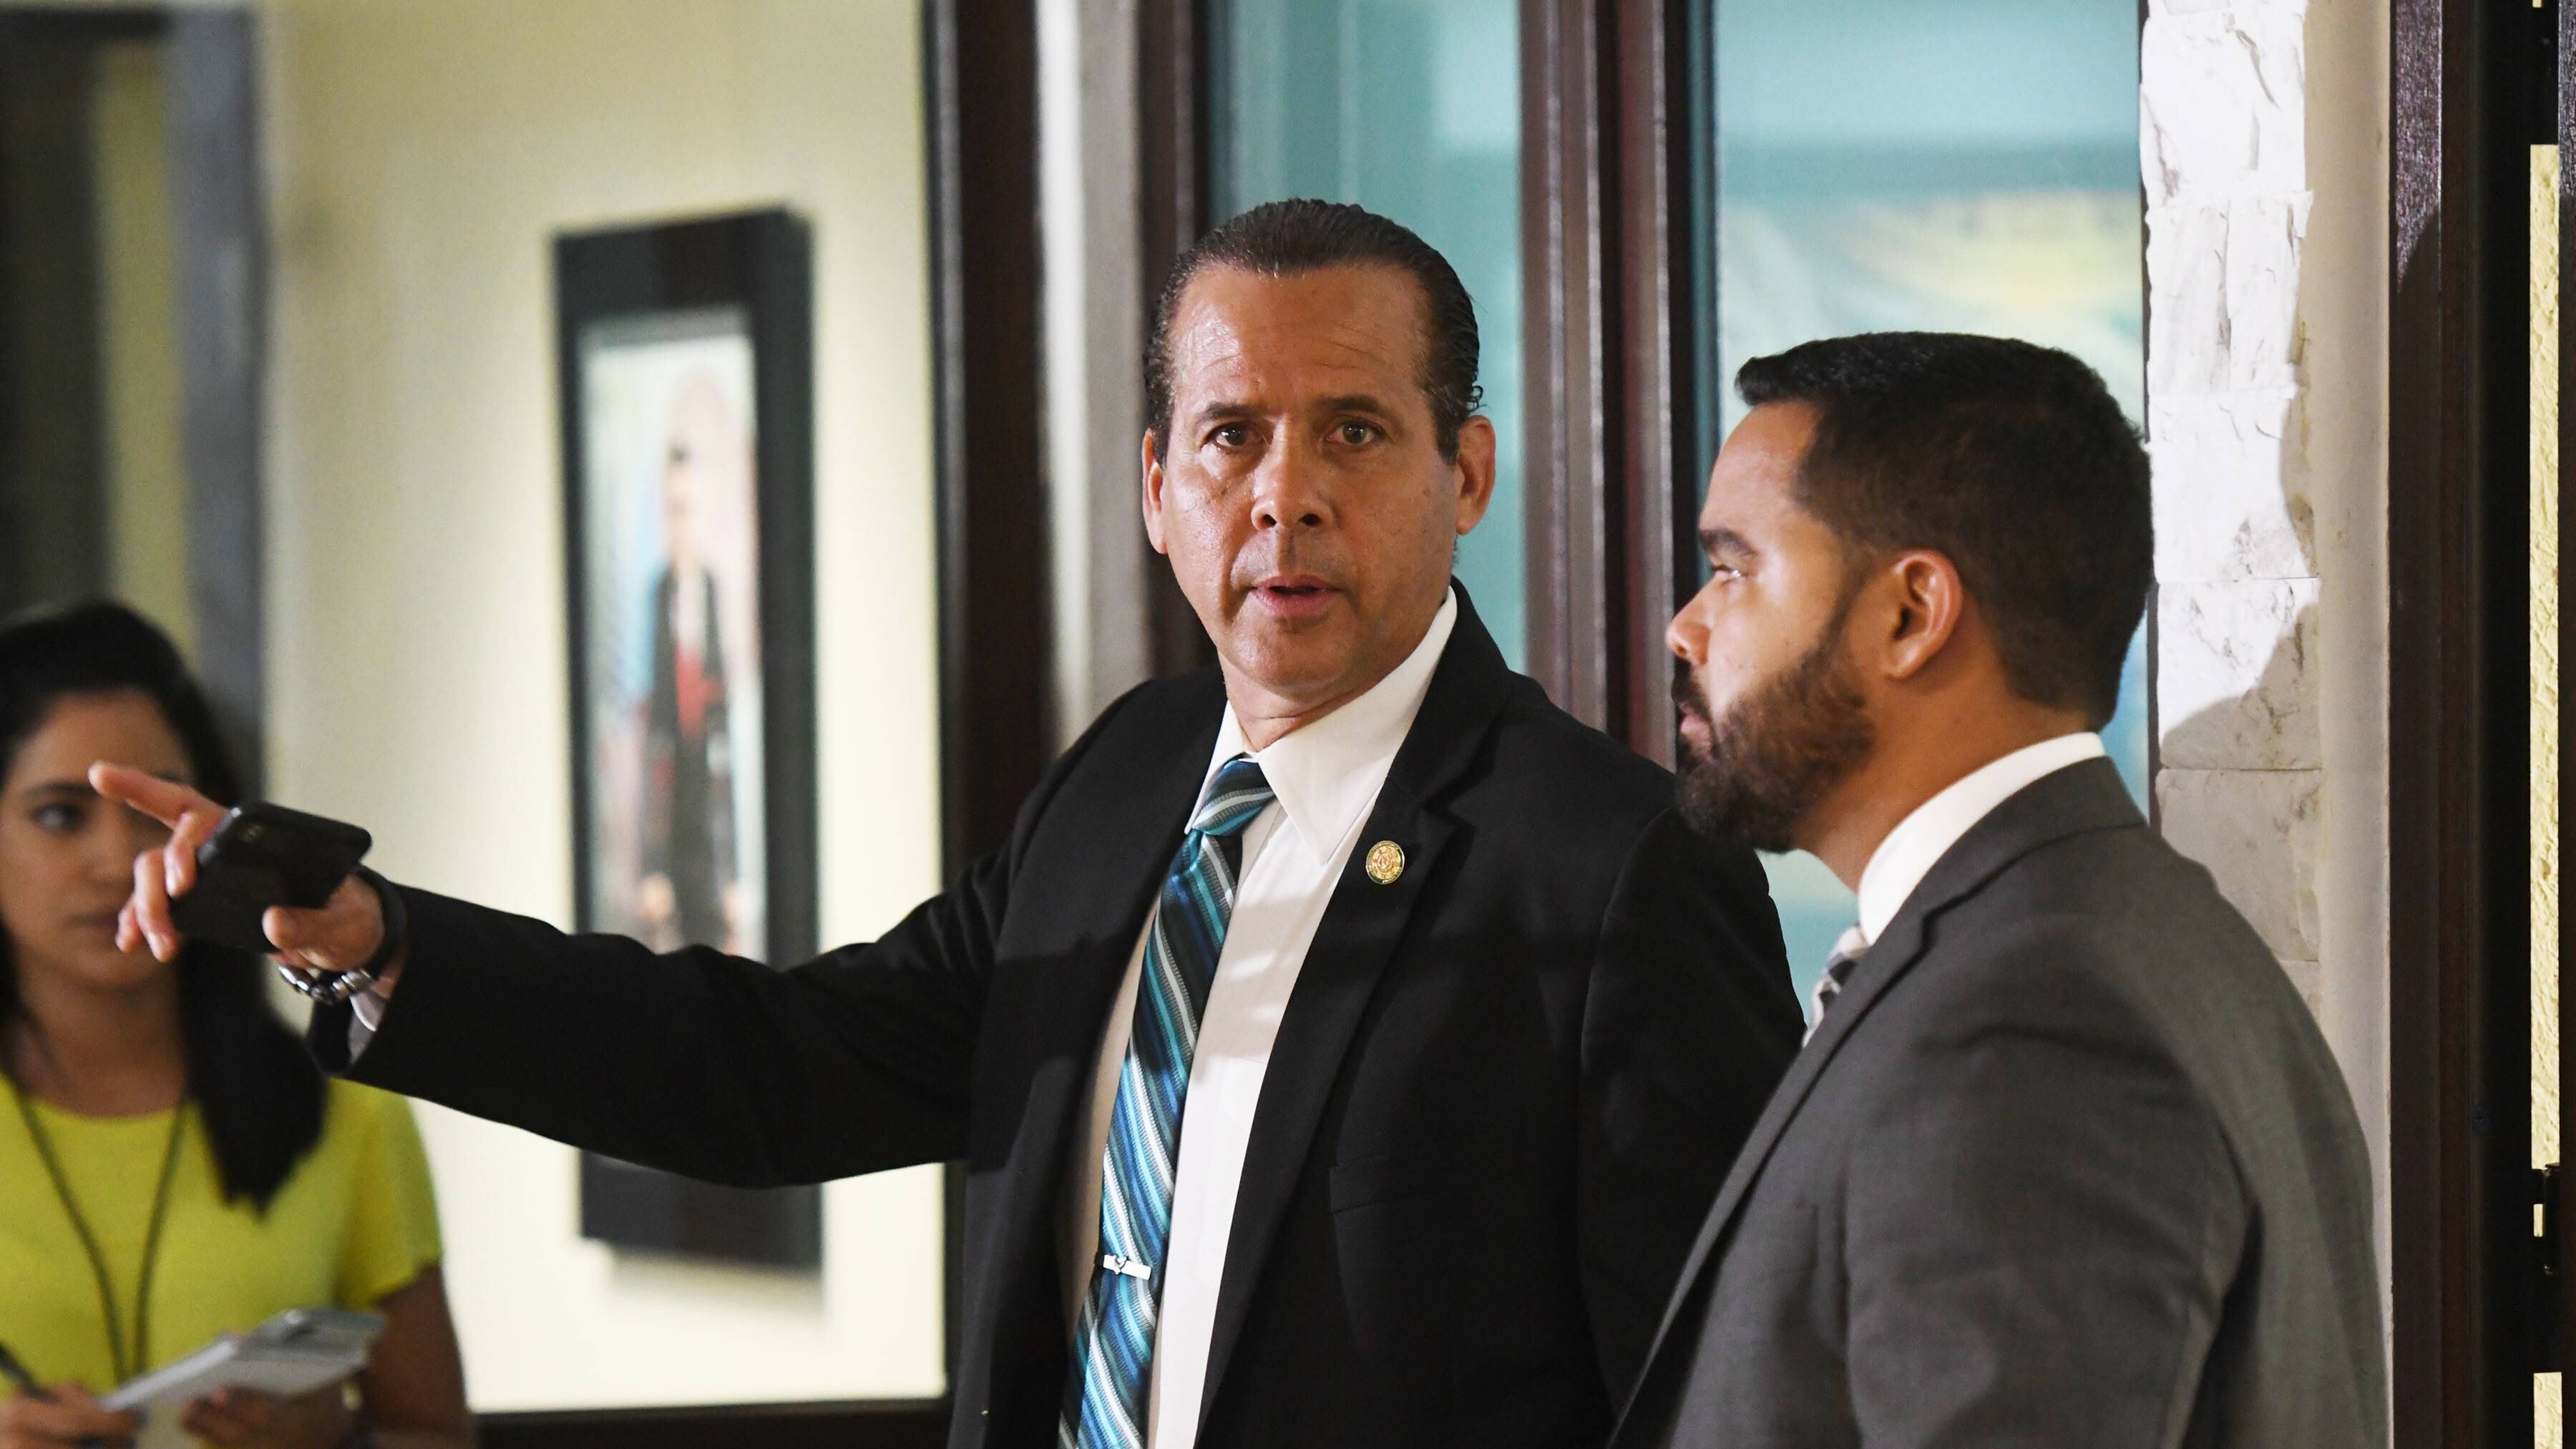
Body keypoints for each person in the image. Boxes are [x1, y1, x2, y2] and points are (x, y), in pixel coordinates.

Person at [102, 201, 1803, 1449]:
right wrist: (385, 944)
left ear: (1468, 472)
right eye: (1232, 436)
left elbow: (1726, 1391)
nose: (1285, 494)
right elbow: (779, 1068)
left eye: (1353, 431)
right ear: (1158, 487)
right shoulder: (1127, 781)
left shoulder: (1612, 870)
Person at [1616, 333, 2385, 1446]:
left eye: (1734, 567)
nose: (1685, 626)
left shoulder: (2032, 1020)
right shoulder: (2116, 935)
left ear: (1911, 613)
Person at [0, 603, 472, 1449]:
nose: (119, 862)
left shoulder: (348, 1115)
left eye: (156, 817)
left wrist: (336, 1442)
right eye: (61, 815)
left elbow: (437, 1433)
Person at [637, 374, 743, 953]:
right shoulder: (657, 597)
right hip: (672, 817)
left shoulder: (714, 592)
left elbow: (727, 740)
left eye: (691, 510)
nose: (683, 525)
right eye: (674, 510)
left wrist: (735, 871)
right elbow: (650, 732)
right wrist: (651, 863)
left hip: (710, 822)